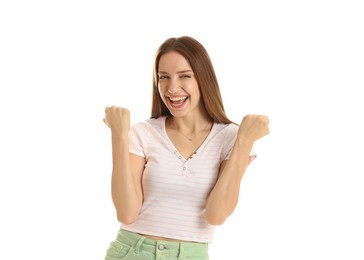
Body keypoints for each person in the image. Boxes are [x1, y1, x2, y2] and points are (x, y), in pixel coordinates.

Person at [103, 36, 269, 260]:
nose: (172, 88)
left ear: (203, 78)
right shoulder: (143, 133)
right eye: (164, 77)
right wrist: (119, 136)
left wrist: (244, 141)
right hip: (132, 251)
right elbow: (126, 212)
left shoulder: (231, 138)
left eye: (184, 76)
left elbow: (216, 215)